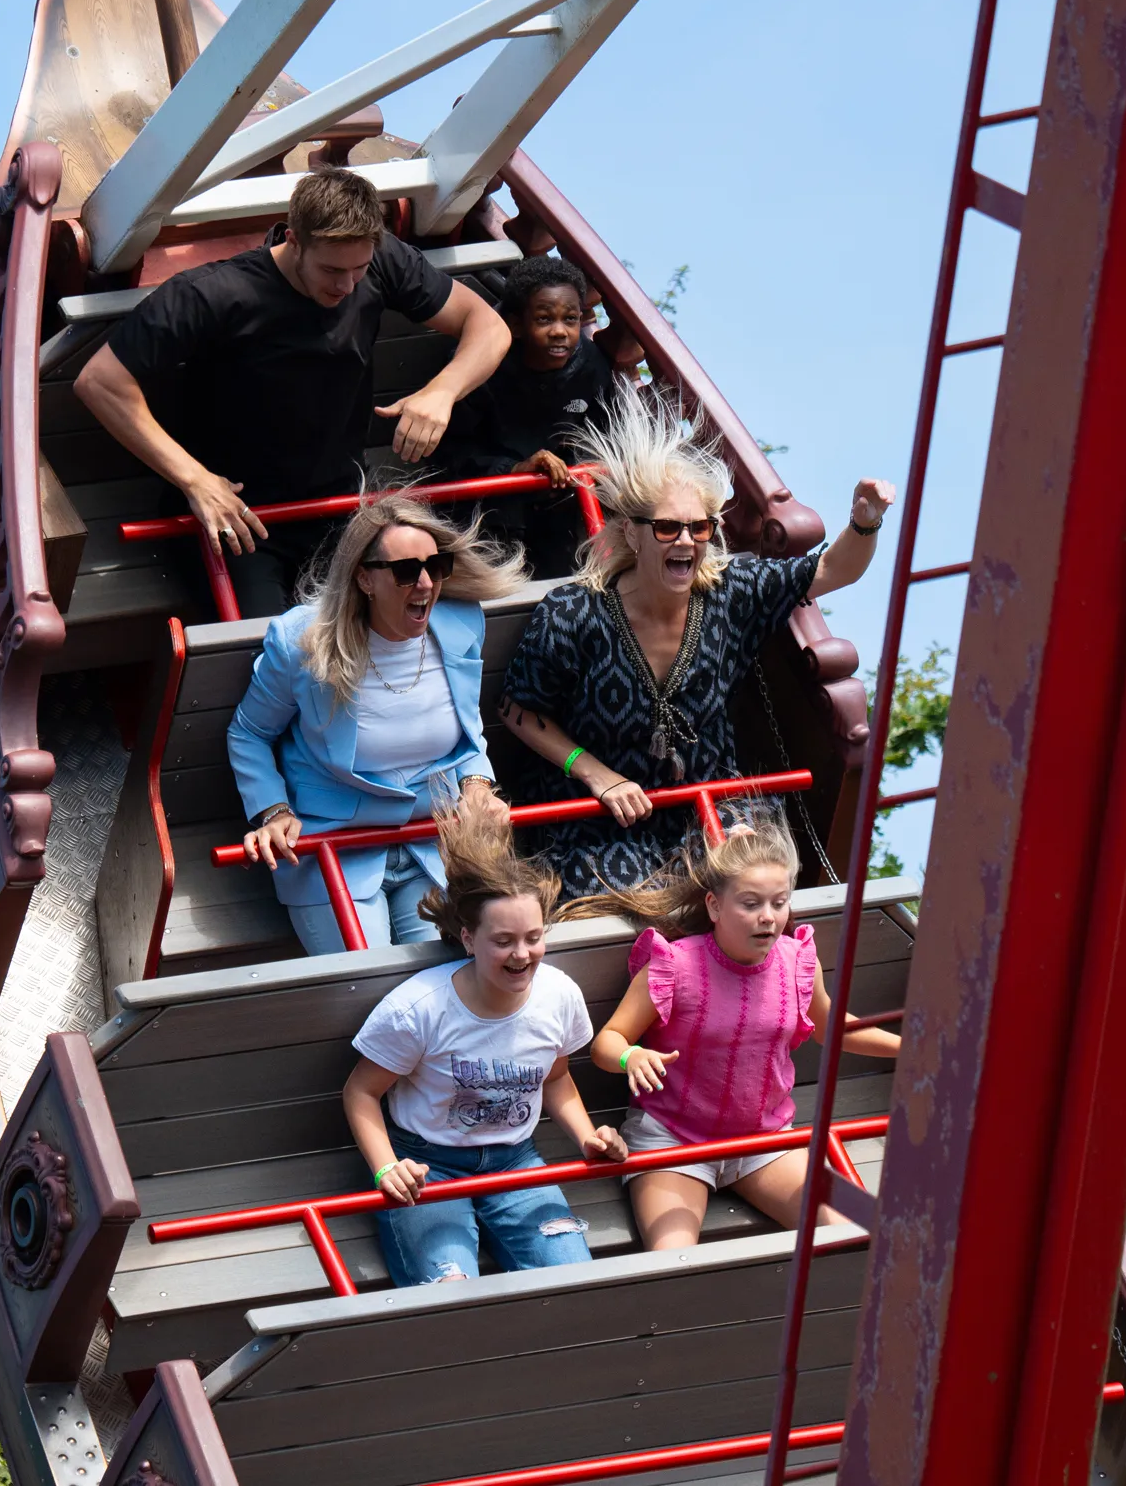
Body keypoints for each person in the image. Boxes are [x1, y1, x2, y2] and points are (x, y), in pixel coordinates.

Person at [496, 388, 898, 897]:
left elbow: (832, 570)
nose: (686, 540)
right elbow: (517, 710)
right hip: (600, 816)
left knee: (753, 880)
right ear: (632, 533)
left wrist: (865, 522)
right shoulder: (574, 613)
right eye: (667, 528)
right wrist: (596, 774)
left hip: (706, 801)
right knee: (632, 899)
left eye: (699, 527)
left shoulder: (731, 593)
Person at [72, 167, 513, 616]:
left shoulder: (383, 259)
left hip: (338, 505)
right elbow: (100, 380)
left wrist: (442, 392)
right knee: (273, 643)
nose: (346, 286)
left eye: (359, 269)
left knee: (401, 618)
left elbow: (489, 327)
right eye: (331, 270)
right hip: (239, 516)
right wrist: (194, 480)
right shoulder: (212, 293)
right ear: (294, 240)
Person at [572, 821, 900, 1250]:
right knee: (674, 1259)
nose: (769, 917)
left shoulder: (797, 960)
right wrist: (629, 1056)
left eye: (779, 902)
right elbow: (607, 1042)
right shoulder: (674, 965)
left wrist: (908, 1049)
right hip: (674, 1139)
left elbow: (832, 1028)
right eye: (751, 903)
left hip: (765, 1141)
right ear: (714, 906)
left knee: (863, 1231)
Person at [343, 805, 629, 1286]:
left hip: (515, 1158)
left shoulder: (558, 995)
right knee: (449, 1286)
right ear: (468, 939)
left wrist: (587, 1138)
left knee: (573, 1279)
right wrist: (386, 1168)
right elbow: (361, 1092)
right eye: (504, 941)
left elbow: (556, 1078)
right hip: (427, 1163)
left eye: (533, 938)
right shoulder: (419, 1008)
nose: (522, 954)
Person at [228, 495, 528, 953]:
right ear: (364, 578)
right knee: (367, 981)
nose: (425, 583)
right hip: (335, 848)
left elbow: (468, 732)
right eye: (406, 571)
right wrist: (274, 811)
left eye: (436, 566)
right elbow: (249, 733)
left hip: (434, 844)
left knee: (444, 977)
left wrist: (476, 786)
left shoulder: (461, 622)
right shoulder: (302, 641)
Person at [438, 254, 625, 577]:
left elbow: (606, 441)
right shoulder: (478, 365)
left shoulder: (593, 368)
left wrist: (568, 470)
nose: (560, 332)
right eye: (544, 319)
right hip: (483, 513)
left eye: (570, 319)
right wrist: (514, 470)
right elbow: (448, 453)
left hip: (558, 512)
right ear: (516, 325)